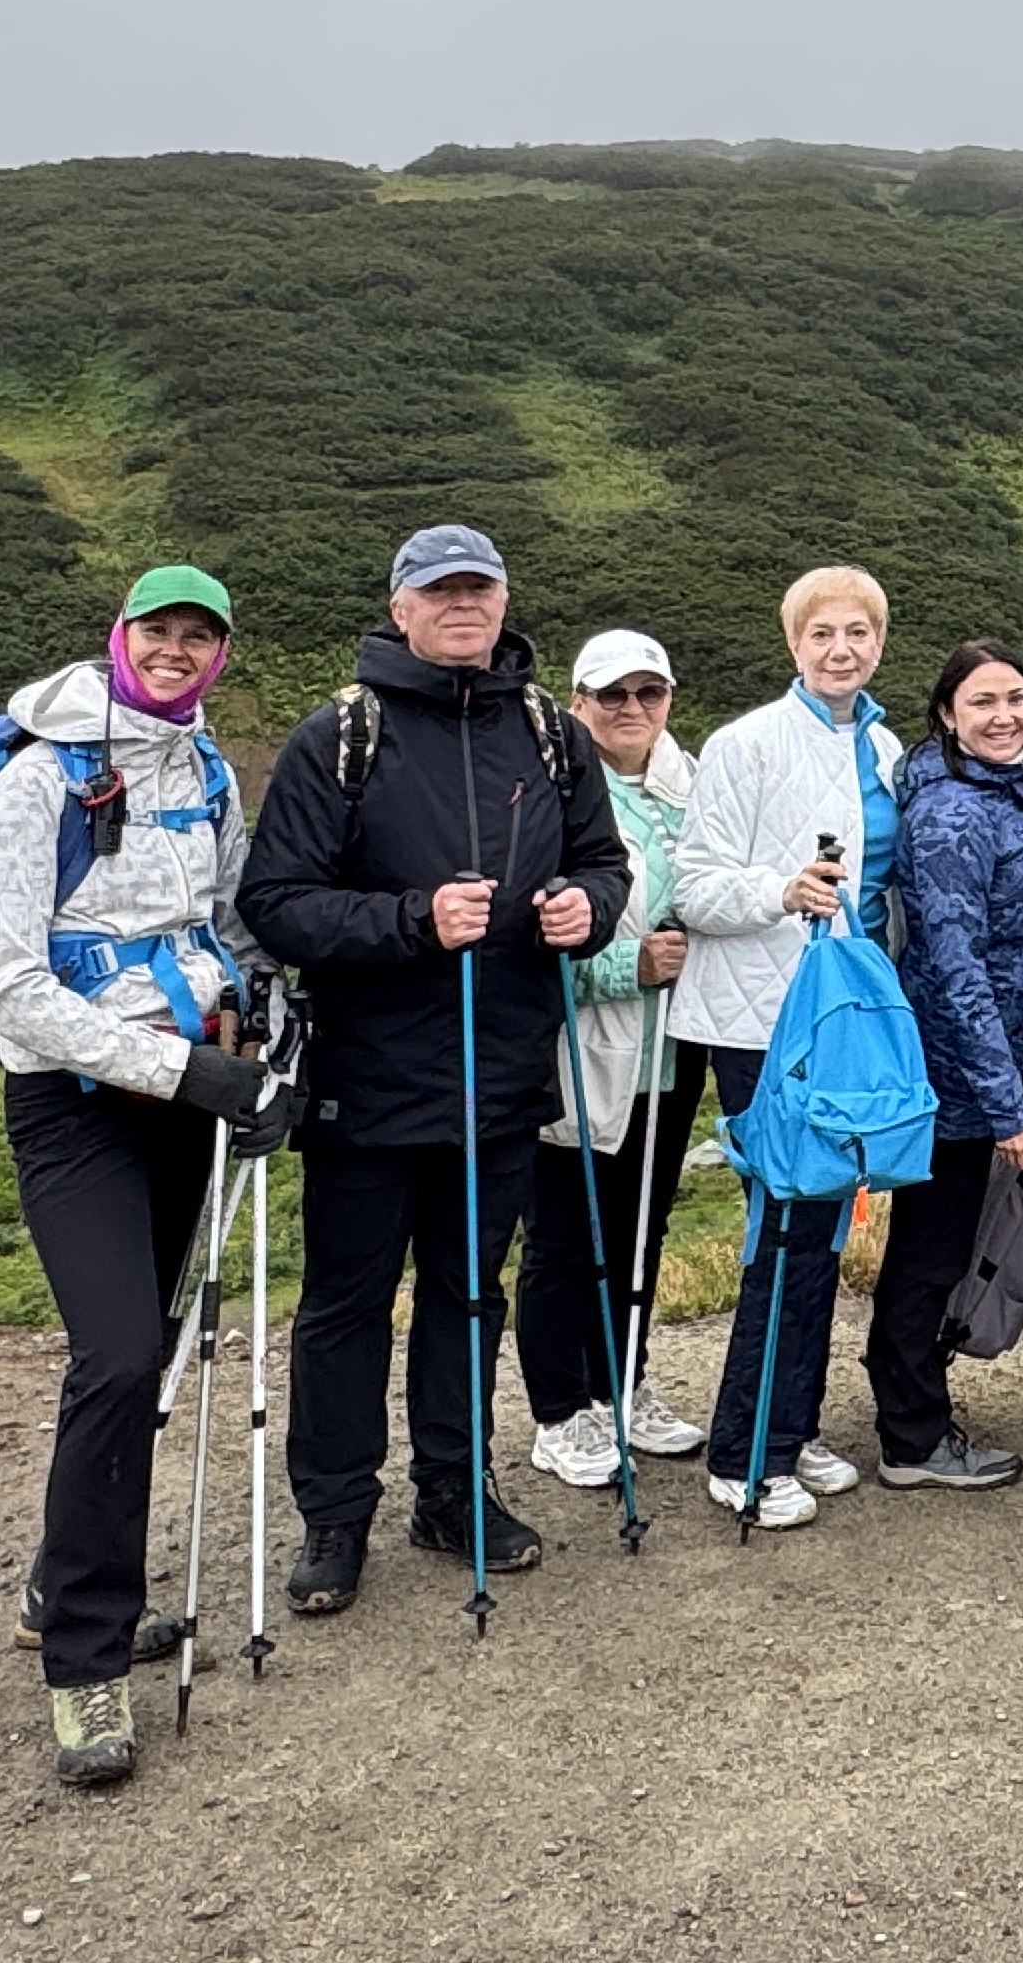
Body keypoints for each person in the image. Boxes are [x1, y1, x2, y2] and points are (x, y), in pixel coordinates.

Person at [241, 526, 628, 1621]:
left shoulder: (553, 736)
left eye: (480, 589)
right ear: (400, 608)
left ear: (503, 602)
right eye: (440, 591)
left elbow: (604, 864)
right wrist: (415, 921)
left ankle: (454, 1494)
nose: (463, 607)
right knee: (347, 1305)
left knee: (469, 1297)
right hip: (368, 1081)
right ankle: (334, 1516)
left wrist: (583, 911)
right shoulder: (340, 738)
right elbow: (275, 904)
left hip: (500, 1075)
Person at [0, 564, 296, 1788]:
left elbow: (227, 923)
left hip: (187, 1088)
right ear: (120, 637)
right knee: (114, 1358)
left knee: (152, 1354)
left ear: (218, 654)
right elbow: (12, 990)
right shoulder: (34, 779)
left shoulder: (208, 772)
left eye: (199, 637)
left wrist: (264, 1035)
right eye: (157, 632)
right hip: (75, 1103)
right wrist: (178, 1075)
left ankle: (58, 1581)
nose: (176, 652)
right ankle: (85, 1666)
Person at [668, 564, 914, 1523]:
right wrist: (780, 889)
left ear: (881, 642)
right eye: (822, 635)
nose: (841, 649)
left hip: (843, 1021)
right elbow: (693, 886)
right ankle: (743, 1452)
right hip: (758, 1023)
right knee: (780, 1230)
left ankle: (792, 1427)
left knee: (817, 1224)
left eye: (858, 632)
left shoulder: (889, 748)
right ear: (793, 644)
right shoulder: (745, 745)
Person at [517, 630, 706, 1492]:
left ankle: (620, 1385)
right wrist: (624, 968)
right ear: (579, 700)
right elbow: (532, 933)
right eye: (612, 695)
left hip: (670, 1048)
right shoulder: (552, 786)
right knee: (564, 1235)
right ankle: (559, 1413)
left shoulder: (689, 781)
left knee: (640, 1228)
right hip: (581, 1044)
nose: (632, 710)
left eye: (649, 693)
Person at [874, 636, 1023, 1492]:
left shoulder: (997, 798)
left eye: (1015, 698)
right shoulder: (953, 815)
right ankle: (911, 1437)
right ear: (948, 714)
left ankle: (915, 1409)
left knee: (935, 1241)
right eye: (983, 701)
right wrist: (1008, 1101)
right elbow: (955, 967)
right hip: (951, 1071)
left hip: (971, 1064)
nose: (1004, 715)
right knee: (930, 1249)